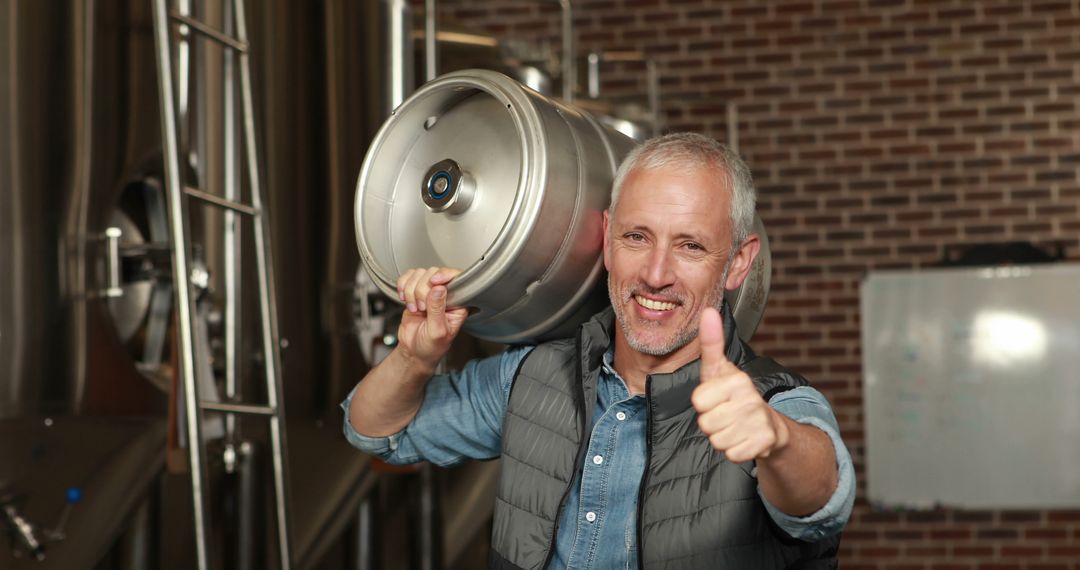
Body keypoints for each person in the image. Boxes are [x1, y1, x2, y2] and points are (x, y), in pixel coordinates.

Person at [343, 133, 855, 569]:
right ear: (608, 239)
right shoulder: (533, 376)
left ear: (739, 263)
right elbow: (375, 431)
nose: (656, 274)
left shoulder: (771, 402)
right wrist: (414, 359)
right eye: (637, 237)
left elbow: (822, 499)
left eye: (690, 246)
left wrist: (776, 442)